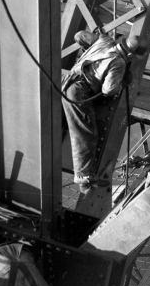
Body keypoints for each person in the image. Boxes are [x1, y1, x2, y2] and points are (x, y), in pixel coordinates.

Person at [61, 30, 142, 193]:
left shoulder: (104, 41)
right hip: (79, 94)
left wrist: (88, 52)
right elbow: (108, 90)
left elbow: (79, 35)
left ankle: (85, 175)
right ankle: (84, 178)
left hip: (66, 81)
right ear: (131, 54)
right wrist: (122, 80)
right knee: (85, 133)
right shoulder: (119, 63)